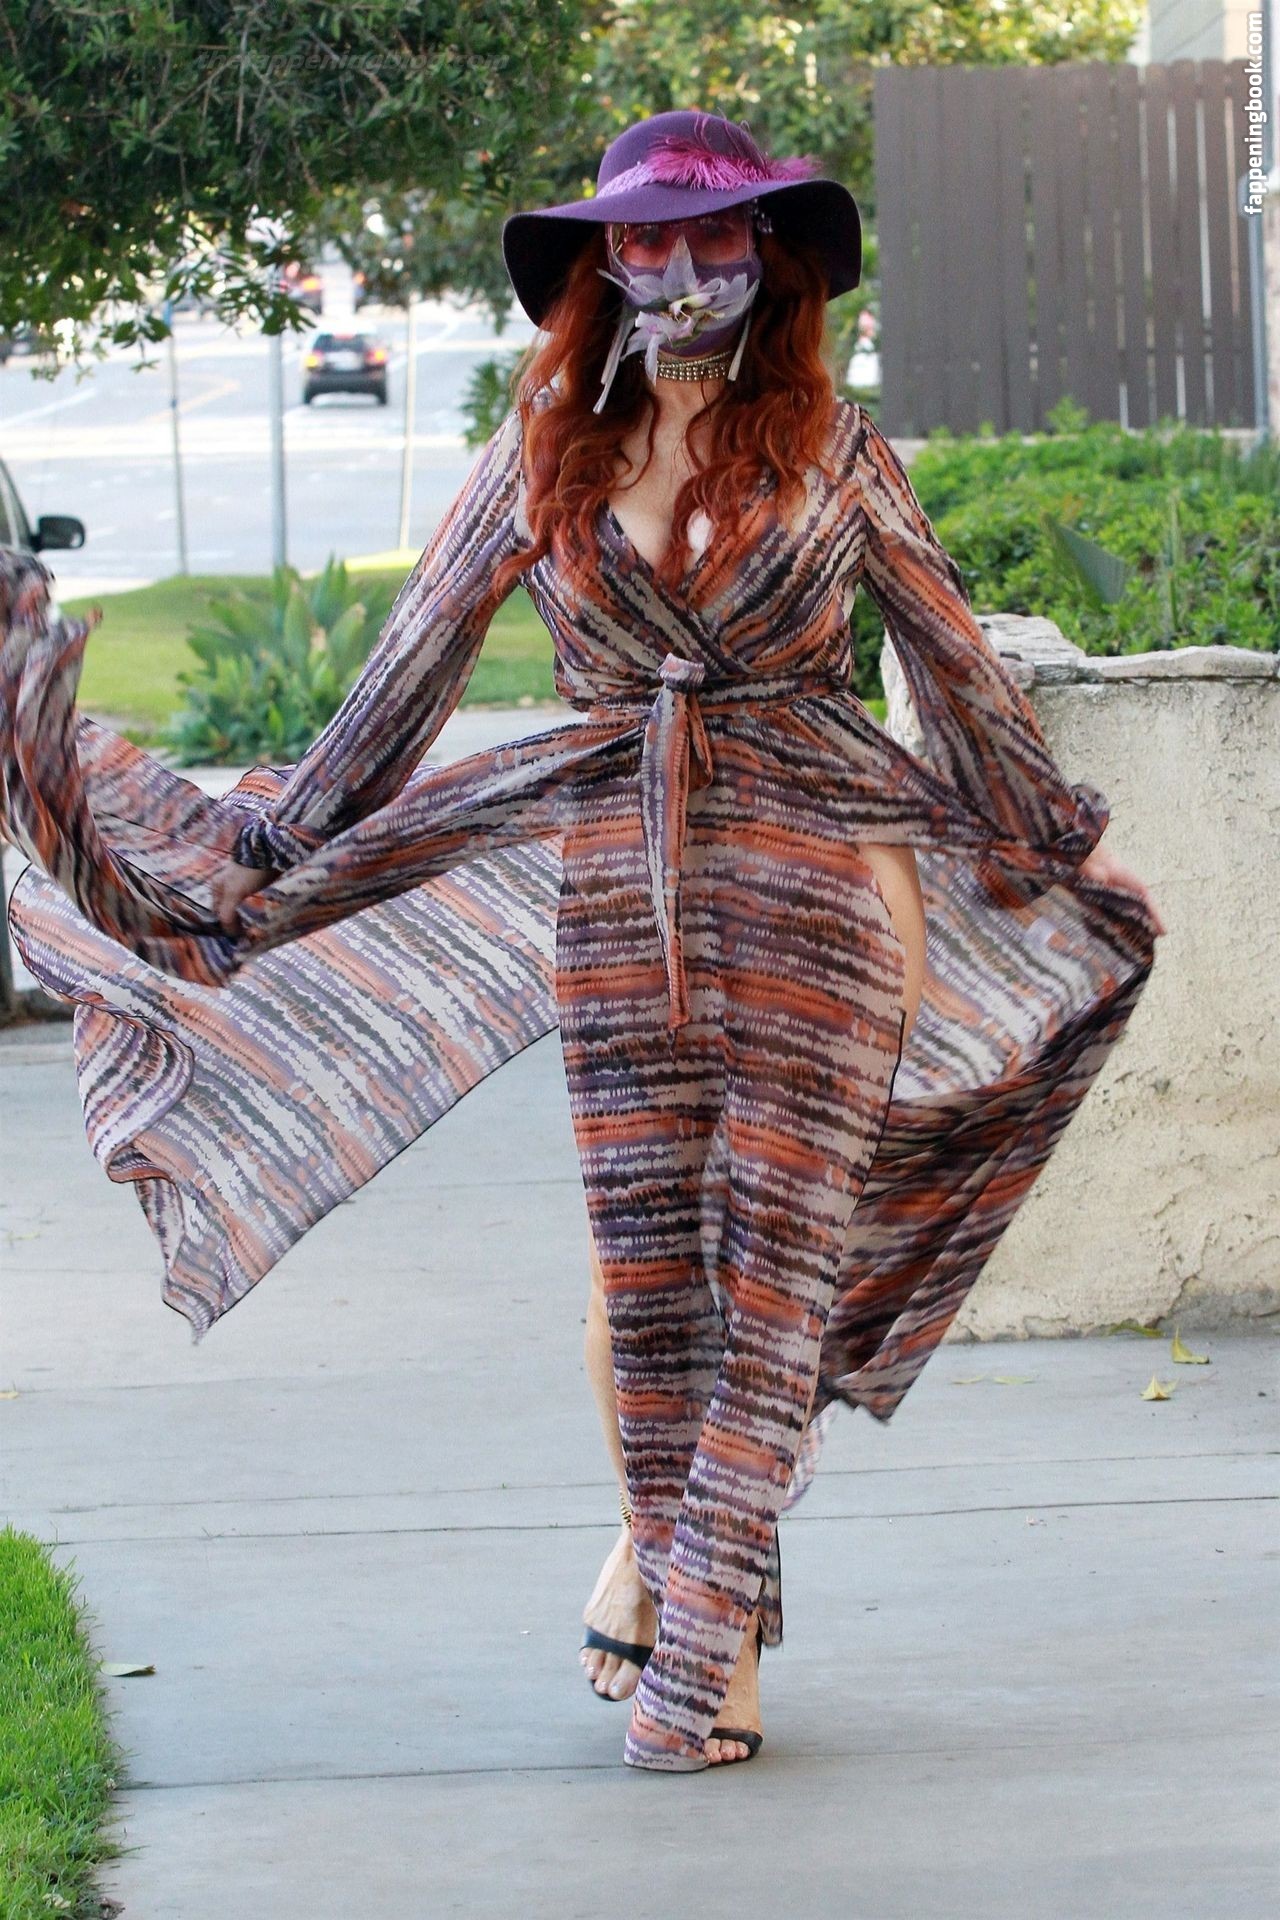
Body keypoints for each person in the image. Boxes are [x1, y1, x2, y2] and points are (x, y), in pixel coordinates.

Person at [0, 110, 1164, 1777]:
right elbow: (384, 714)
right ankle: (677, 1563)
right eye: (645, 240)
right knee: (647, 1295)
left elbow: (960, 677)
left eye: (713, 237)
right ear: (603, 264)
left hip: (833, 904)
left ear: (769, 255)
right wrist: (230, 847)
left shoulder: (838, 452)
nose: (680, 270)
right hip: (621, 911)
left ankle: (704, 1665)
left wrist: (1063, 842)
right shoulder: (538, 458)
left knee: (772, 1287)